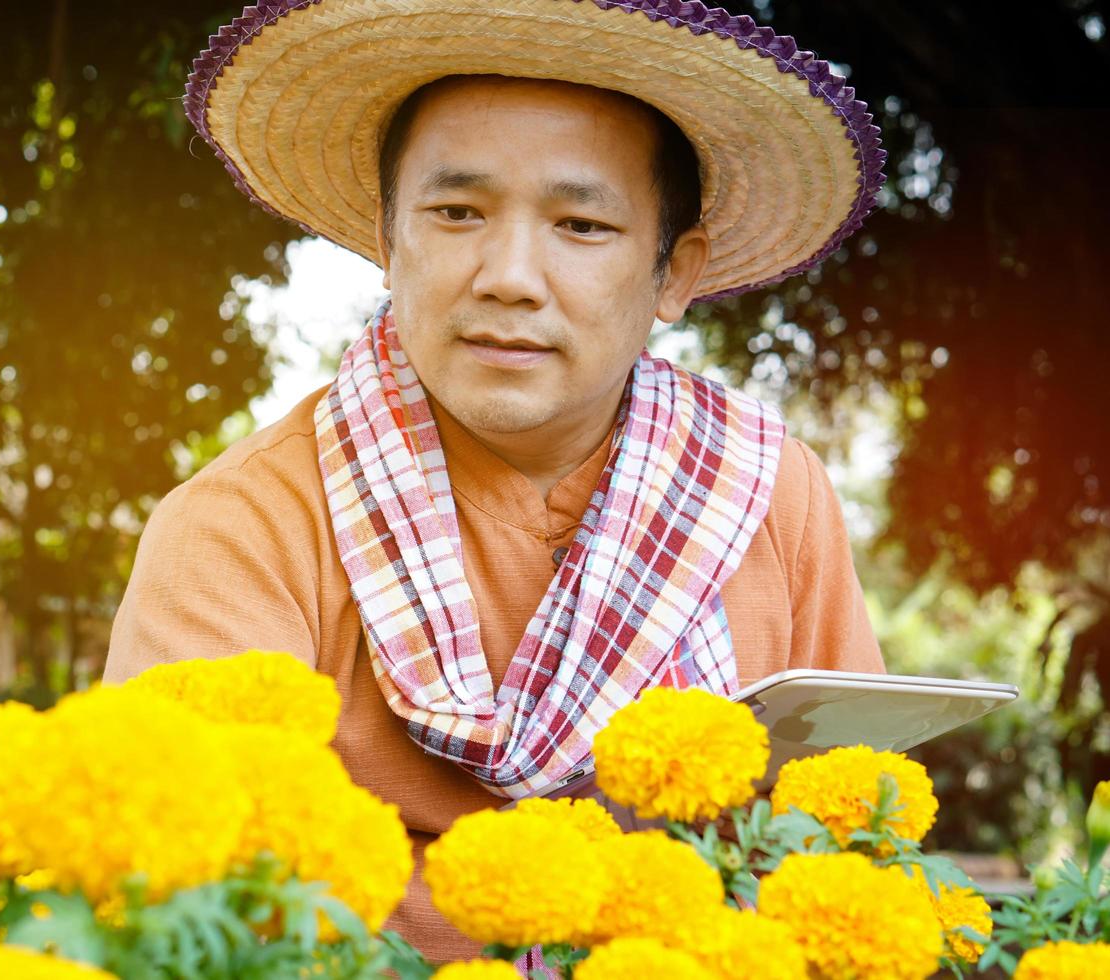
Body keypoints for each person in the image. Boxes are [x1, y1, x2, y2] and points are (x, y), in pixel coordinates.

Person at [106, 0, 888, 963]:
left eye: (582, 223)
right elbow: (192, 911)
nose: (510, 275)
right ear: (389, 243)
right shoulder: (243, 528)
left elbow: (854, 838)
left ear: (674, 274)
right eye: (457, 213)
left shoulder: (769, 494)